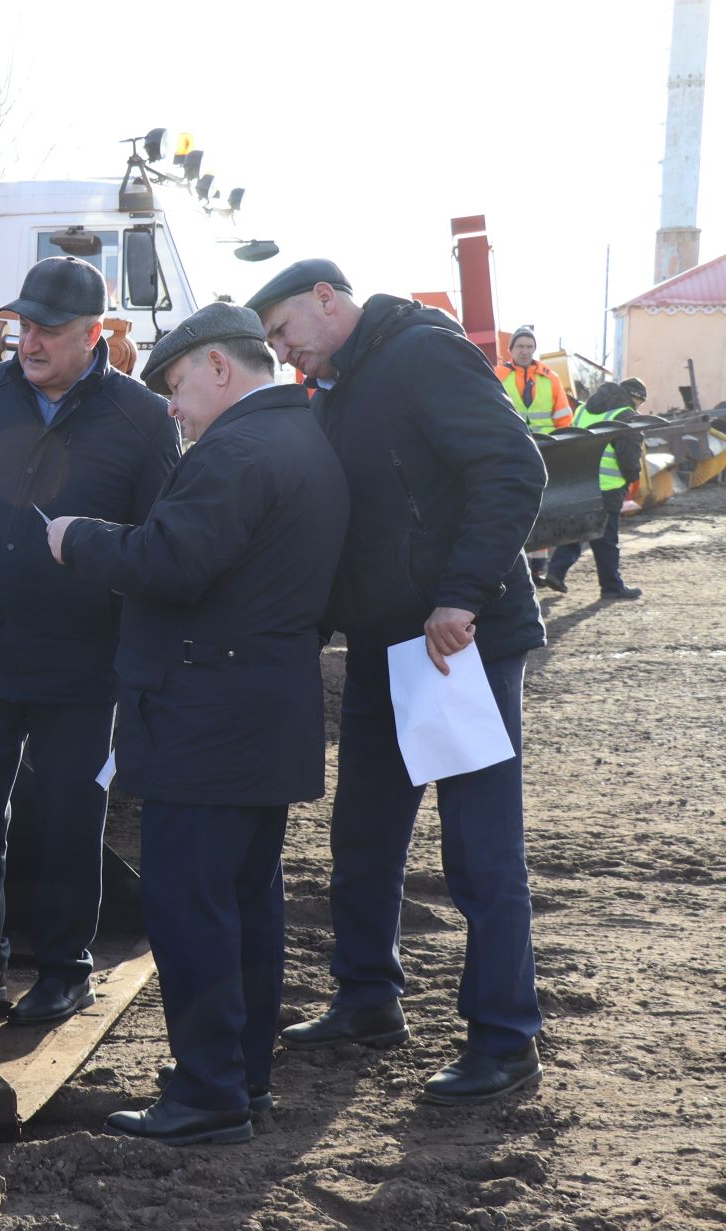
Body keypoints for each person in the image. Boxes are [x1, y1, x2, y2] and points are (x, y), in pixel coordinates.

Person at [45, 304, 348, 1145]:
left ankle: (208, 1093)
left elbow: (169, 562)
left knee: (189, 907)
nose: (173, 408)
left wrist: (80, 540)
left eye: (177, 387)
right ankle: (241, 1079)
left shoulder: (238, 449)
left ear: (218, 368)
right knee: (247, 904)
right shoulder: (302, 439)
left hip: (204, 721)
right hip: (261, 713)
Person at [249, 259, 548, 1105]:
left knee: (478, 851)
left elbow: (511, 469)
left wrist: (460, 596)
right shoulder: (338, 392)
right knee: (364, 839)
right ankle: (368, 999)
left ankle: (504, 1038)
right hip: (388, 648)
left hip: (455, 647)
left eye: (284, 333)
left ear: (325, 298)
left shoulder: (420, 355)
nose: (283, 352)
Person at [0, 257, 180, 1024]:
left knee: (67, 822)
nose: (30, 342)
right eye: (22, 326)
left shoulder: (141, 420)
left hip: (82, 662)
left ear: (95, 335)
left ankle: (63, 969)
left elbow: (164, 540)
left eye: (49, 330)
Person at [543, 378, 647, 599]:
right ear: (635, 397)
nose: (638, 407)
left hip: (580, 480)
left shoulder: (583, 409)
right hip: (608, 485)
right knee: (606, 537)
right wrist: (632, 478)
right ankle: (611, 587)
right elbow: (628, 455)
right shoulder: (626, 414)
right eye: (639, 402)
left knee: (577, 528)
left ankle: (556, 572)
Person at [496, 326, 573, 584]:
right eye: (520, 346)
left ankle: (538, 568)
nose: (525, 351)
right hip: (510, 451)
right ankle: (516, 566)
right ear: (511, 350)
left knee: (541, 508)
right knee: (514, 508)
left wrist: (564, 448)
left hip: (545, 451)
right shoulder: (497, 375)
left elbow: (563, 417)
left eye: (529, 346)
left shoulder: (549, 378)